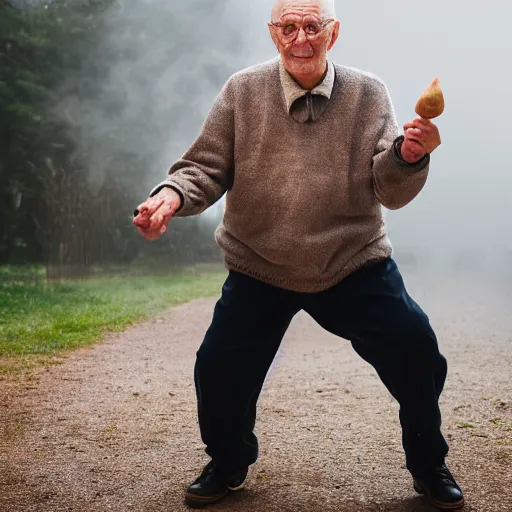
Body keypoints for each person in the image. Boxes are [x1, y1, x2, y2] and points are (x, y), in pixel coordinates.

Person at [133, 0, 464, 509]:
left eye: (313, 26)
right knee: (217, 369)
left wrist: (408, 155)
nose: (301, 38)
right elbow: (204, 167)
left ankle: (428, 464)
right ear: (273, 34)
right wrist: (170, 196)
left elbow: (388, 188)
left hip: (351, 259)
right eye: (289, 27)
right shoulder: (242, 90)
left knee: (416, 350)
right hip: (260, 262)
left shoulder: (368, 91)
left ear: (333, 33)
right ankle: (229, 462)